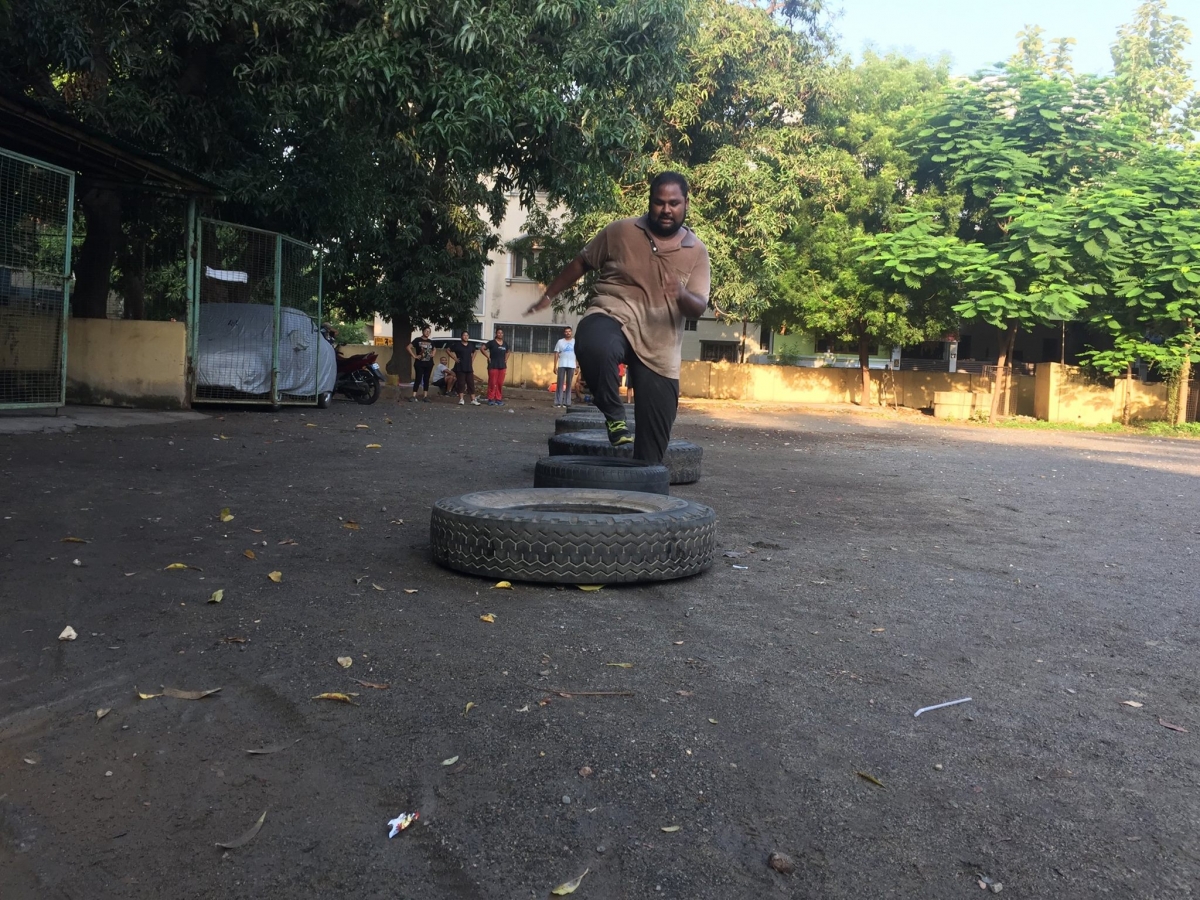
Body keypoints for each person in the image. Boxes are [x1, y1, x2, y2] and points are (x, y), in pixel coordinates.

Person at [524, 172, 711, 464]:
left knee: (652, 451)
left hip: (659, 346)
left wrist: (680, 294)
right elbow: (582, 262)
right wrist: (549, 295)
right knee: (596, 344)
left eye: (674, 203)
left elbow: (698, 306)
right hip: (612, 314)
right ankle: (614, 416)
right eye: (659, 202)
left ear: (686, 203)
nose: (666, 209)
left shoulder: (696, 251)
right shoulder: (620, 231)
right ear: (649, 202)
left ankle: (643, 484)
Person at [448, 331, 480, 406]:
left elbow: (475, 351)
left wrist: (472, 359)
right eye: (464, 335)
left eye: (467, 335)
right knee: (461, 383)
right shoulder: (457, 345)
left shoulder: (471, 345)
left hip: (468, 367)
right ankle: (461, 399)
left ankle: (473, 399)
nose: (466, 337)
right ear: (461, 336)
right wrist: (454, 358)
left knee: (471, 383)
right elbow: (448, 350)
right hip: (460, 366)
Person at [406, 326, 435, 403]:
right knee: (418, 378)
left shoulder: (431, 341)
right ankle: (413, 396)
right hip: (419, 362)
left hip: (429, 363)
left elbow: (434, 349)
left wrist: (433, 354)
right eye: (426, 331)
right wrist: (414, 356)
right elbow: (408, 347)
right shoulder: (417, 340)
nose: (427, 333)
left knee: (426, 379)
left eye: (429, 331)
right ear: (423, 331)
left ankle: (425, 396)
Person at [481, 328, 509, 406]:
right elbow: (482, 348)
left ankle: (498, 399)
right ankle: (491, 399)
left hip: (502, 366)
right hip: (493, 365)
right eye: (499, 333)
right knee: (492, 383)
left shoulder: (505, 343)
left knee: (500, 383)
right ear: (496, 334)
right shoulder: (491, 343)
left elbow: (508, 351)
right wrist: (488, 357)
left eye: (501, 333)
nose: (500, 334)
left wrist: (506, 359)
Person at [553, 326, 577, 408]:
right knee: (560, 383)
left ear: (571, 332)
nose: (568, 333)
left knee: (569, 384)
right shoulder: (560, 342)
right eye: (566, 331)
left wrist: (577, 366)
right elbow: (556, 353)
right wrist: (554, 366)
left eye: (569, 331)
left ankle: (567, 402)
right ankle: (558, 402)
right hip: (562, 365)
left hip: (572, 365)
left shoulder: (575, 342)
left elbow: (577, 354)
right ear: (564, 333)